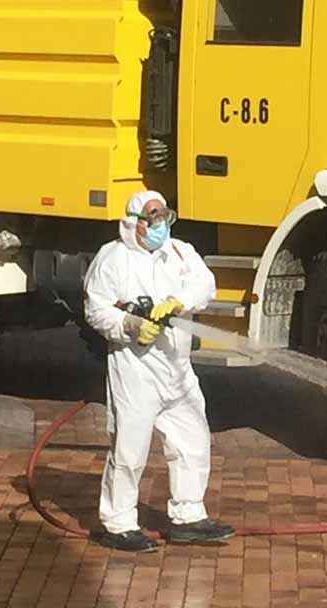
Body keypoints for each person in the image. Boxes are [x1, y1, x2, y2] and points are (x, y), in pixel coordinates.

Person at [83, 190, 235, 552]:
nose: (160, 226)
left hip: (177, 367)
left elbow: (205, 284)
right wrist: (130, 325)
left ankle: (189, 516)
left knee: (192, 441)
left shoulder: (180, 252)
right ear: (135, 222)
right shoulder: (113, 259)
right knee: (129, 449)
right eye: (153, 219)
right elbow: (95, 309)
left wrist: (179, 301)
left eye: (165, 217)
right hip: (135, 369)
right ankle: (119, 523)